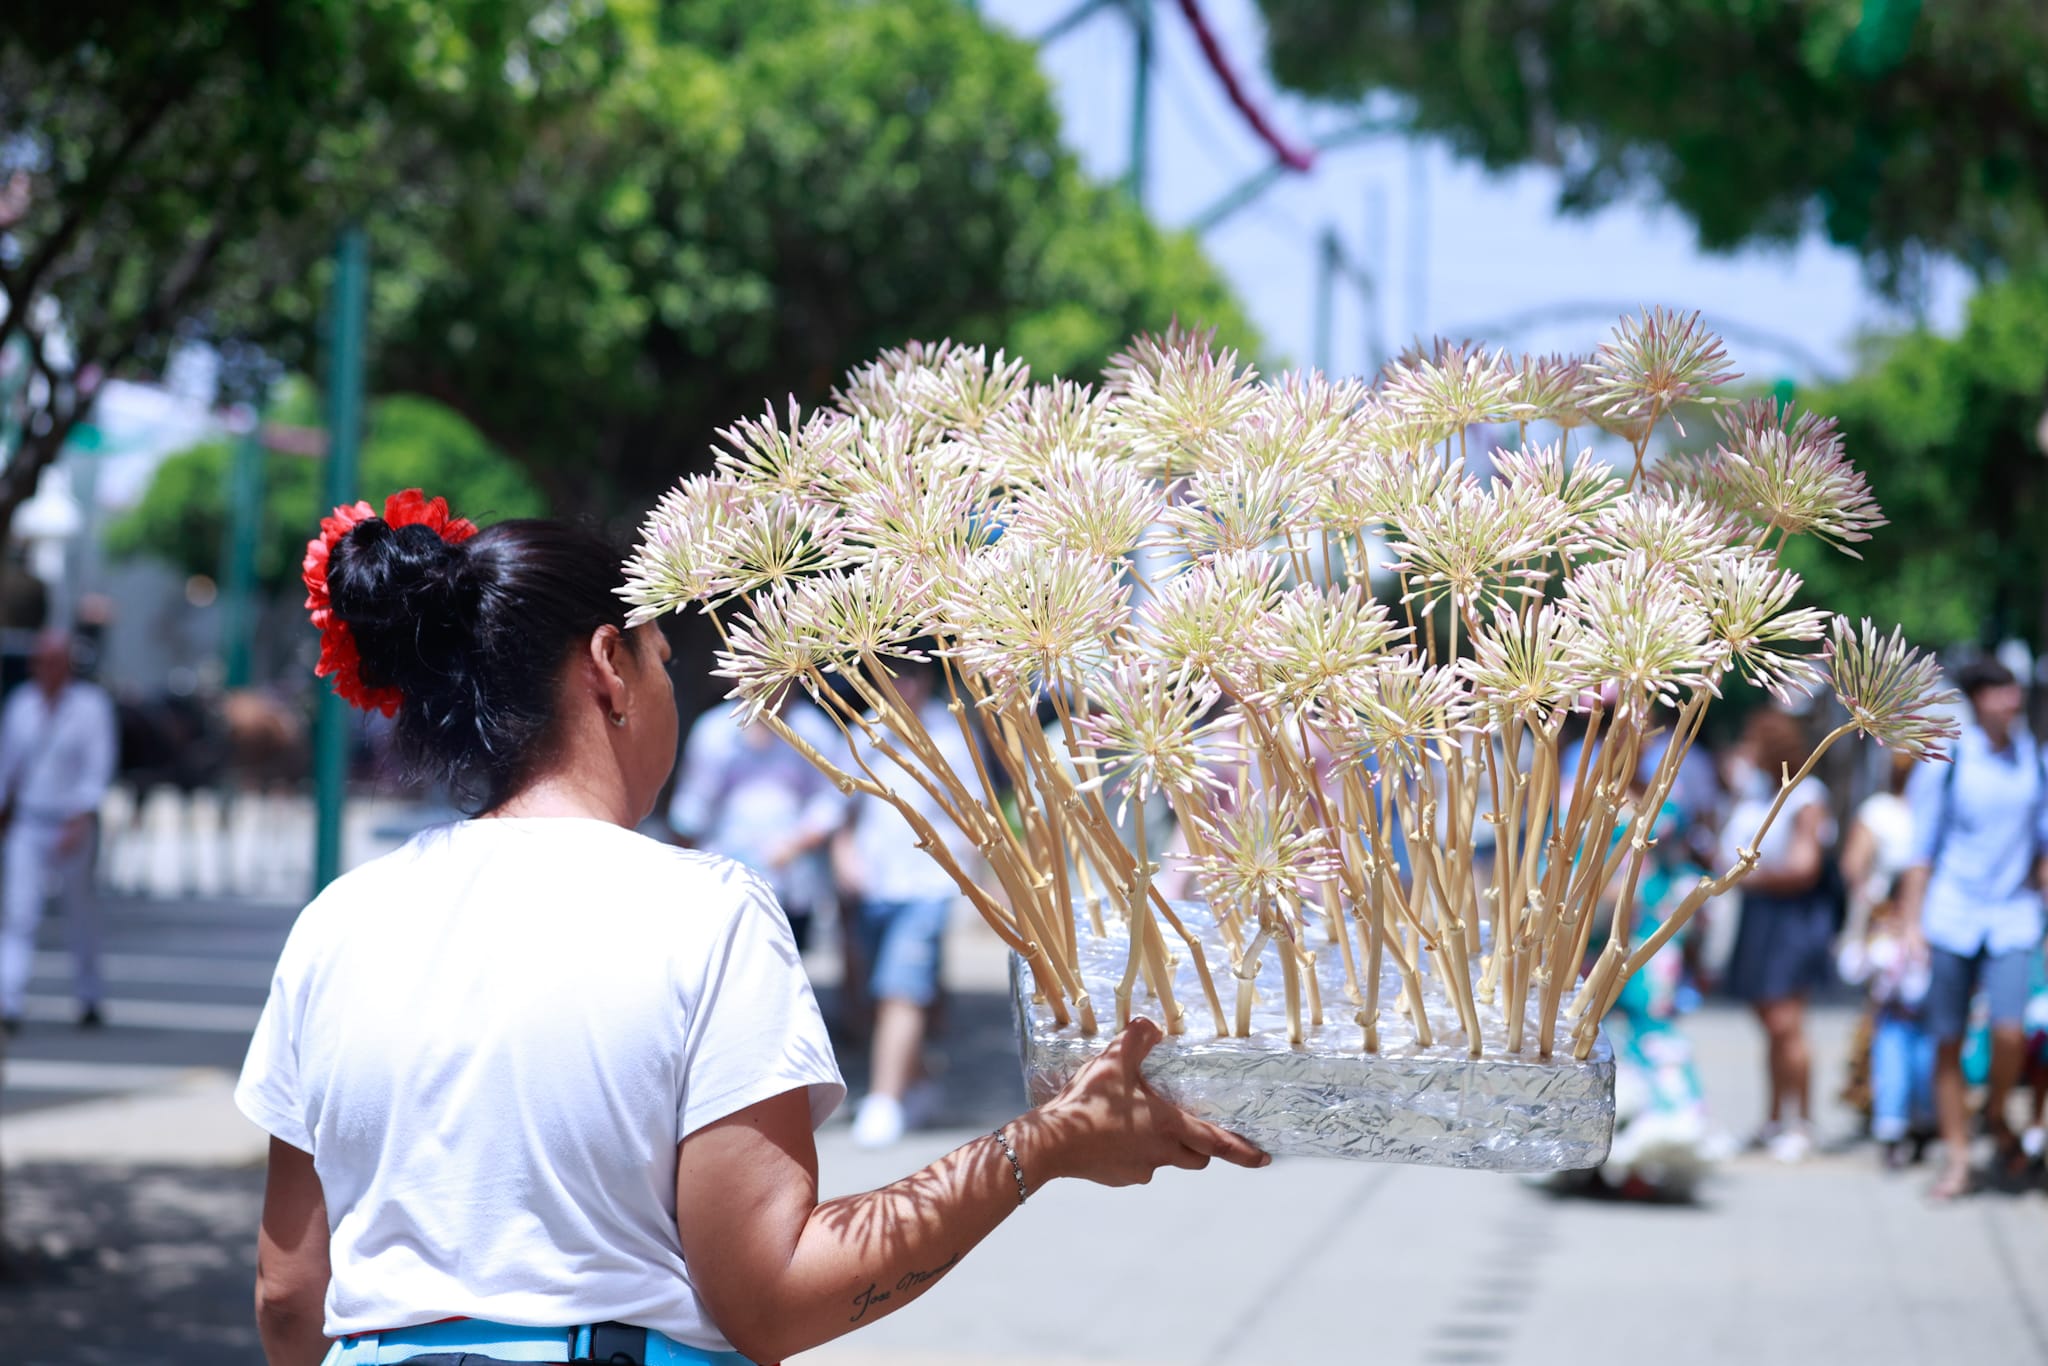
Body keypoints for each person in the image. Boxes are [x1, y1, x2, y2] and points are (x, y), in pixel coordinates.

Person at [236, 494, 1266, 1366]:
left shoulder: (340, 920)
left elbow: (290, 1293)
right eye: (658, 655)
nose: (668, 685)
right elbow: (768, 1293)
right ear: (608, 665)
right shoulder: (704, 913)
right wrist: (1038, 1146)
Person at [1895, 657, 2048, 1199]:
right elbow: (1921, 848)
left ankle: (1998, 1111)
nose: (2012, 699)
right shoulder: (1949, 757)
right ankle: (1958, 1159)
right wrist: (1911, 924)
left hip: (2013, 915)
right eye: (2000, 691)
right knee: (1947, 1040)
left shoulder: (2034, 759)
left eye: (2014, 690)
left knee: (2011, 1032)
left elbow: (2042, 847)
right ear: (1980, 699)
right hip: (1953, 913)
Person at [833, 657, 978, 1148]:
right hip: (874, 887)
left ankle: (884, 1100)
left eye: (912, 675)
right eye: (893, 675)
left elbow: (971, 812)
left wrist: (963, 866)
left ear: (928, 678)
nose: (904, 685)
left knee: (902, 989)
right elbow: (840, 808)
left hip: (926, 887)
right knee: (881, 993)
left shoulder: (951, 734)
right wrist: (844, 854)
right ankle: (917, 1083)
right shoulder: (861, 733)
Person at [1719, 706, 1838, 1163]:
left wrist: (1746, 877)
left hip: (1793, 919)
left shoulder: (1807, 796)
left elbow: (1803, 868)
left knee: (1788, 1024)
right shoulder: (1756, 793)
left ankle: (1802, 1122)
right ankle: (1772, 1120)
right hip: (1764, 916)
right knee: (1770, 1024)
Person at [0, 627, 118, 1033]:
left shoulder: (90, 707)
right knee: (19, 913)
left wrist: (81, 817)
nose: (44, 669)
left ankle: (89, 997)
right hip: (30, 821)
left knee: (80, 914)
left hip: (71, 823)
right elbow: (8, 766)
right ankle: (9, 1000)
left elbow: (98, 768)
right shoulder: (21, 705)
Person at [668, 693, 845, 952]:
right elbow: (691, 808)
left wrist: (796, 843)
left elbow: (831, 802)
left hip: (792, 885)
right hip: (723, 882)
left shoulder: (813, 730)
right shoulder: (714, 731)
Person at [1835, 888, 1935, 1169]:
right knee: (1892, 1077)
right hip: (1893, 1021)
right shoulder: (1882, 946)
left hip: (1927, 1022)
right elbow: (1852, 970)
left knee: (1925, 1075)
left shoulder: (1931, 940)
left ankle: (1923, 1129)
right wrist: (1869, 942)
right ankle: (1890, 1136)